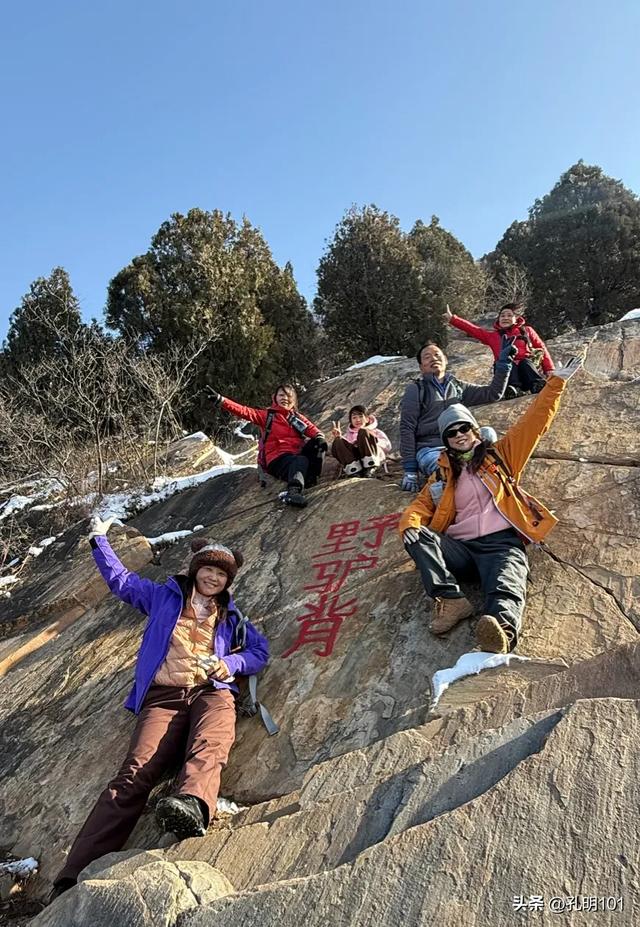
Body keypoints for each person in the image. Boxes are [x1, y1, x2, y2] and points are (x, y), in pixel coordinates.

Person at [51, 519, 269, 898]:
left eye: (221, 573)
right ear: (195, 570)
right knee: (132, 774)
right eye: (208, 569)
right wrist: (99, 541)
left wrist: (230, 665)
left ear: (228, 580)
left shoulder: (233, 618)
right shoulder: (162, 598)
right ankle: (74, 872)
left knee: (212, 740)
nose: (214, 578)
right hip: (163, 698)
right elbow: (121, 581)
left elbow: (259, 652)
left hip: (210, 692)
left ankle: (194, 805)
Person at [398, 356, 583, 654]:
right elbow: (418, 509)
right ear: (446, 441)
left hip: (501, 544)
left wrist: (555, 383)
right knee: (416, 534)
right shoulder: (442, 472)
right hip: (460, 549)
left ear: (474, 430)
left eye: (464, 429)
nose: (459, 435)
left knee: (507, 583)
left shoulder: (501, 456)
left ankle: (500, 632)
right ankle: (451, 599)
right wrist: (409, 523)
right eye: (452, 433)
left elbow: (534, 423)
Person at [399, 339, 516, 492]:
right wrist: (410, 470)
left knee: (487, 433)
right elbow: (407, 428)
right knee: (447, 470)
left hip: (459, 442)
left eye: (437, 354)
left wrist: (503, 365)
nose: (433, 358)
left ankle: (488, 476)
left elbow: (492, 394)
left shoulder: (457, 386)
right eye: (427, 357)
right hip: (431, 449)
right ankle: (452, 487)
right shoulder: (416, 390)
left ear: (445, 360)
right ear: (421, 367)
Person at [212, 383, 326, 508]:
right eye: (281, 395)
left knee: (318, 443)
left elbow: (312, 429)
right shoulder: (267, 416)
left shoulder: (296, 418)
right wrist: (221, 400)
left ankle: (310, 478)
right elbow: (245, 412)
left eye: (289, 396)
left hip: (296, 457)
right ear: (275, 398)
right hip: (278, 459)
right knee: (300, 460)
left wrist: (320, 438)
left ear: (293, 401)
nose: (285, 398)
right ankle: (293, 491)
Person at [444, 302, 554, 395]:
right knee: (505, 364)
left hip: (526, 371)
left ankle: (536, 384)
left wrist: (548, 369)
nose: (505, 318)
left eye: (509, 315)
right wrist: (453, 319)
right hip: (507, 375)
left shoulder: (526, 331)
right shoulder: (493, 336)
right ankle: (512, 390)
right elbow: (473, 329)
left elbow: (541, 347)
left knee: (525, 362)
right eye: (502, 316)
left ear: (516, 319)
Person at [330, 405, 392, 478]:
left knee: (363, 431)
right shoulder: (348, 435)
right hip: (356, 462)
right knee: (338, 441)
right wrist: (339, 437)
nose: (358, 420)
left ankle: (371, 468)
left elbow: (388, 446)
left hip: (373, 459)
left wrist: (372, 442)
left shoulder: (375, 431)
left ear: (367, 419)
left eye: (360, 416)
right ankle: (354, 471)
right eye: (354, 418)